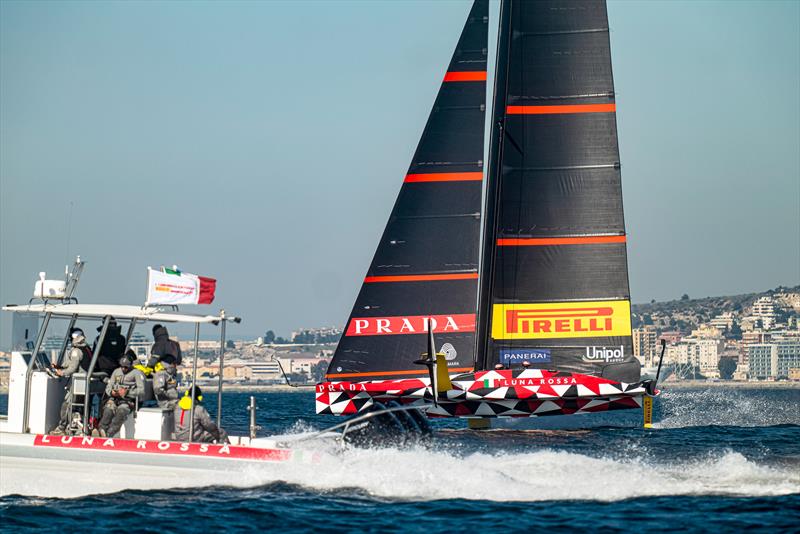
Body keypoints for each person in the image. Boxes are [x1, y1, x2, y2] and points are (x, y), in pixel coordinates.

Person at [50, 329, 93, 435]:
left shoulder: (76, 351)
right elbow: (72, 363)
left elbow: (72, 368)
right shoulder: (86, 348)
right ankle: (78, 426)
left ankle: (62, 427)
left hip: (78, 381)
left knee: (66, 404)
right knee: (79, 405)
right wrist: (60, 366)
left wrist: (61, 372)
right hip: (85, 382)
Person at [97, 352, 145, 437]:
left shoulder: (136, 373)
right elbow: (109, 387)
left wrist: (128, 392)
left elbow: (141, 390)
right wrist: (111, 392)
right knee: (108, 410)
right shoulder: (116, 372)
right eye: (122, 366)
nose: (123, 369)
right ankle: (101, 429)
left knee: (121, 412)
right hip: (114, 399)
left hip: (127, 401)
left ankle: (109, 433)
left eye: (126, 367)